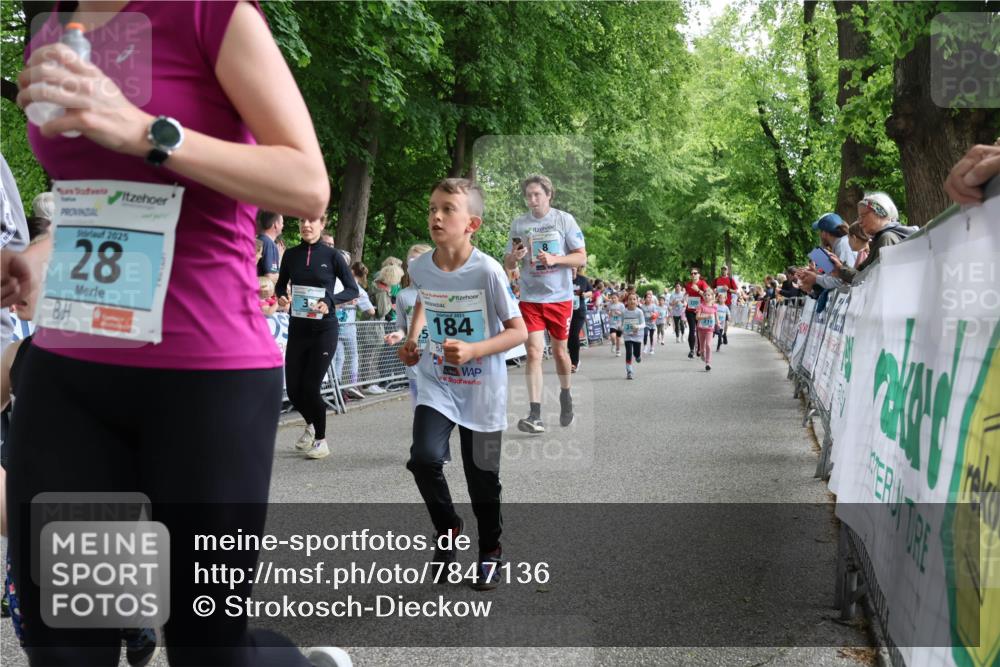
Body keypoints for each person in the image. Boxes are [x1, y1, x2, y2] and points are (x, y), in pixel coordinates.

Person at [11, 2, 354, 664]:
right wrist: (39, 256)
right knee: (65, 643)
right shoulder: (55, 24)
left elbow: (308, 185)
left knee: (207, 647)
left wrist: (148, 131)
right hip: (71, 376)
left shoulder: (209, 13)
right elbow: (105, 200)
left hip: (206, 377)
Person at [398, 178, 527, 591]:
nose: (436, 216)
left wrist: (475, 351)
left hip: (483, 389)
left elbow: (519, 331)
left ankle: (490, 549)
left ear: (471, 223)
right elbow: (424, 298)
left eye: (447, 209)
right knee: (423, 459)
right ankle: (448, 527)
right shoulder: (419, 266)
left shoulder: (487, 270)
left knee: (482, 478)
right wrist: (413, 339)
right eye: (432, 208)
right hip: (437, 381)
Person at [503, 174, 586, 434]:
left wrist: (555, 259)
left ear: (549, 195)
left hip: (559, 298)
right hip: (530, 298)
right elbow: (508, 262)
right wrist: (514, 258)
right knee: (535, 353)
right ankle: (535, 413)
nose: (532, 199)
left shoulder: (563, 220)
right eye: (528, 195)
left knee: (561, 352)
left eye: (537, 194)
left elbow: (580, 258)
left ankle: (565, 395)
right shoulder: (519, 224)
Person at [276, 215, 359, 460]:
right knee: (293, 391)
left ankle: (321, 441)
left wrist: (330, 300)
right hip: (298, 329)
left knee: (311, 387)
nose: (306, 225)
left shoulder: (332, 256)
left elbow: (352, 289)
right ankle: (311, 424)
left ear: (322, 225)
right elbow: (281, 285)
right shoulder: (291, 255)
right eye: (302, 220)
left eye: (312, 221)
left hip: (325, 329)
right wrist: (282, 296)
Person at [385, 244, 432, 407]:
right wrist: (398, 334)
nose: (414, 264)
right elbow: (403, 326)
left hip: (438, 358)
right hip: (415, 359)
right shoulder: (403, 295)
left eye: (419, 260)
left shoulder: (441, 290)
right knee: (419, 407)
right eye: (411, 261)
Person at [568, 267, 592, 373]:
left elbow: (591, 292)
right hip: (566, 312)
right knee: (568, 337)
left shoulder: (582, 279)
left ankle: (575, 362)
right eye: (570, 267)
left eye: (574, 267)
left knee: (574, 334)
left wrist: (584, 294)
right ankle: (572, 359)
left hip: (579, 312)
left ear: (576, 268)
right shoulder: (564, 278)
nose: (572, 269)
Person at [684, 268, 711, 358]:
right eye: (691, 273)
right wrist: (684, 299)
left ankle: (699, 349)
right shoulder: (688, 284)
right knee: (692, 330)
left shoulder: (702, 283)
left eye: (695, 273)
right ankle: (692, 350)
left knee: (700, 330)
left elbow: (709, 295)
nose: (693, 275)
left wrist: (698, 290)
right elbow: (686, 295)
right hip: (690, 310)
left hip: (700, 311)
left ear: (699, 274)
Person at [621, 292, 644, 379]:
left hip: (637, 335)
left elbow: (643, 324)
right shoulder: (624, 312)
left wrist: (638, 326)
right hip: (627, 335)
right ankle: (629, 371)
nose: (632, 301)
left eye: (634, 299)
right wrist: (621, 327)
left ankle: (638, 356)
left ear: (637, 301)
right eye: (630, 299)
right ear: (627, 301)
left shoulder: (639, 312)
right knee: (629, 352)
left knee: (636, 353)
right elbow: (622, 323)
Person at [695, 290, 719, 371]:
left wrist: (718, 324)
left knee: (708, 345)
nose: (707, 296)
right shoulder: (700, 306)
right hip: (701, 328)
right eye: (705, 295)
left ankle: (708, 363)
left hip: (710, 328)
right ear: (703, 296)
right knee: (702, 347)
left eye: (709, 295)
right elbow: (697, 317)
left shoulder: (714, 306)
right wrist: (705, 317)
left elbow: (716, 316)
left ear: (712, 296)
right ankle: (702, 353)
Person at [256, 210, 282, 281]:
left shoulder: (259, 240)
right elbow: (269, 276)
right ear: (276, 225)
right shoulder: (269, 243)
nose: (283, 225)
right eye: (282, 223)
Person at [607, 292, 624, 357]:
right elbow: (607, 311)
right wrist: (609, 313)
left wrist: (619, 313)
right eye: (612, 298)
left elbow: (624, 313)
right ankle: (613, 344)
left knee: (618, 338)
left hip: (619, 324)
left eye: (615, 298)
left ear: (618, 298)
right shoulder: (610, 305)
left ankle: (618, 350)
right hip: (612, 323)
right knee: (613, 336)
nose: (613, 299)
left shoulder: (621, 305)